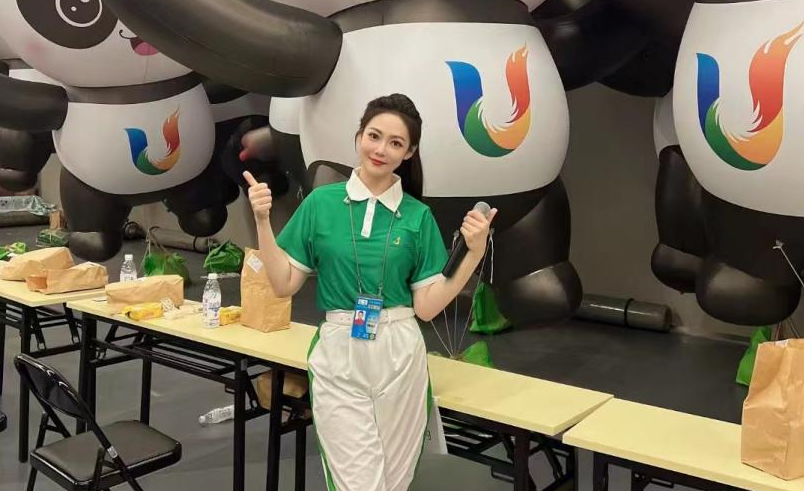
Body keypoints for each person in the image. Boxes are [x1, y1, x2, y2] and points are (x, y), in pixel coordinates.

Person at [243, 93, 496, 491]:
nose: (381, 149)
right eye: (374, 136)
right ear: (359, 135)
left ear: (409, 152)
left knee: (394, 482)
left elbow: (427, 307)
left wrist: (473, 254)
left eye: (395, 143)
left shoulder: (417, 216)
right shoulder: (321, 203)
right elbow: (283, 283)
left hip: (401, 354)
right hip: (339, 352)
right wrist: (262, 221)